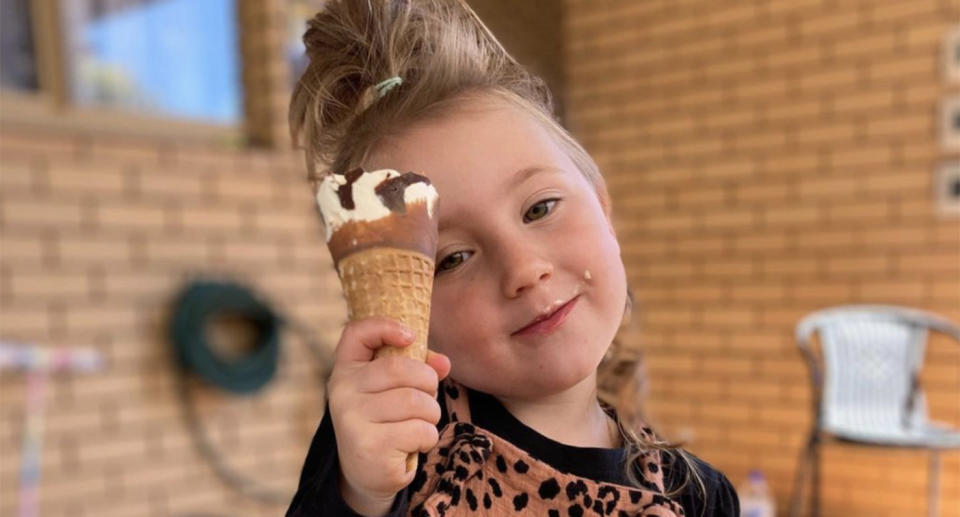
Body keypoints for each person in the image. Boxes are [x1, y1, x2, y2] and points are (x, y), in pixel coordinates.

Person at [286, 1, 739, 515]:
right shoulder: (399, 445)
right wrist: (362, 495)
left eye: (540, 207)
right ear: (416, 316)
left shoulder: (698, 497)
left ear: (603, 208)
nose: (523, 270)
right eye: (453, 258)